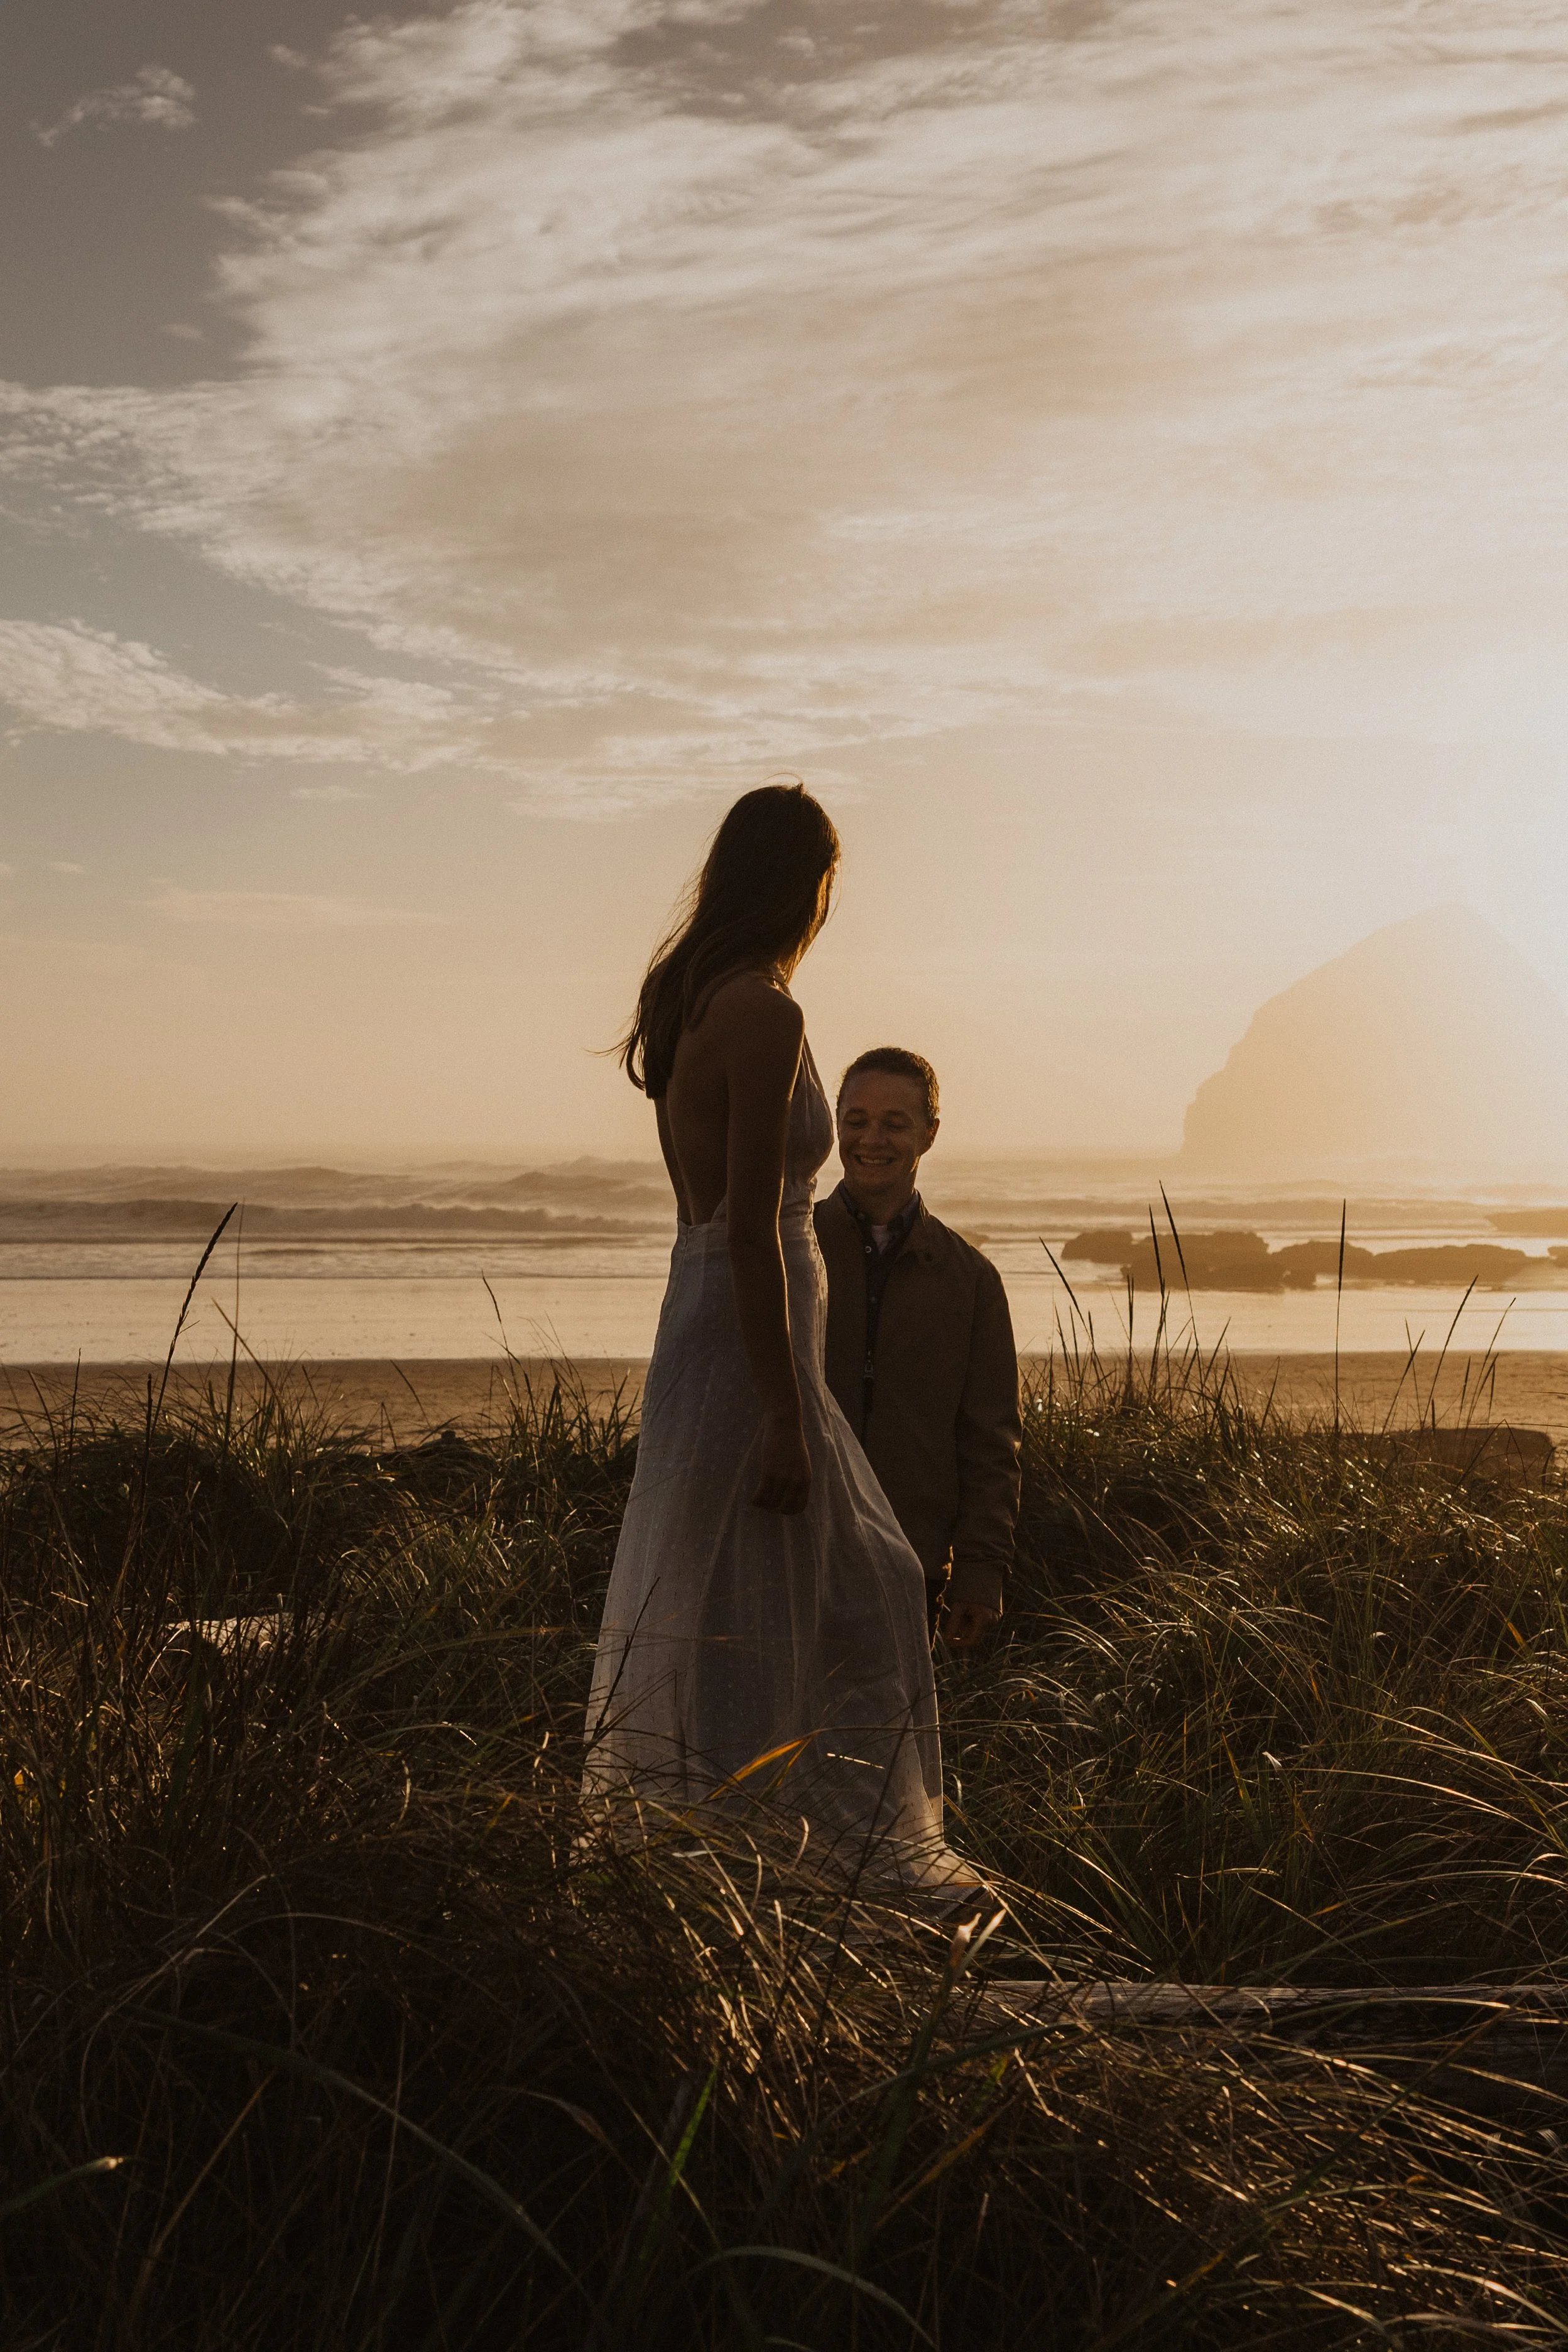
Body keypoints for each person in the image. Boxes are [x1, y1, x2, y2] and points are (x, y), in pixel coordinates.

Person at [582, 784, 977, 1893]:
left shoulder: (690, 995)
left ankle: (736, 1851)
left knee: (738, 1593)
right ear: (804, 885)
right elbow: (752, 1223)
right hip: (744, 1331)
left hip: (715, 1312)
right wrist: (784, 1413)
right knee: (862, 1586)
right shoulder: (763, 1012)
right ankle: (818, 1860)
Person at [814, 1048, 1020, 1647]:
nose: (871, 1140)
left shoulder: (970, 1279)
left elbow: (991, 1440)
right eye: (856, 1121)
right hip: (794, 1551)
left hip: (913, 1564)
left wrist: (981, 1571)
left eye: (894, 1123)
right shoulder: (793, 1251)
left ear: (929, 1134)